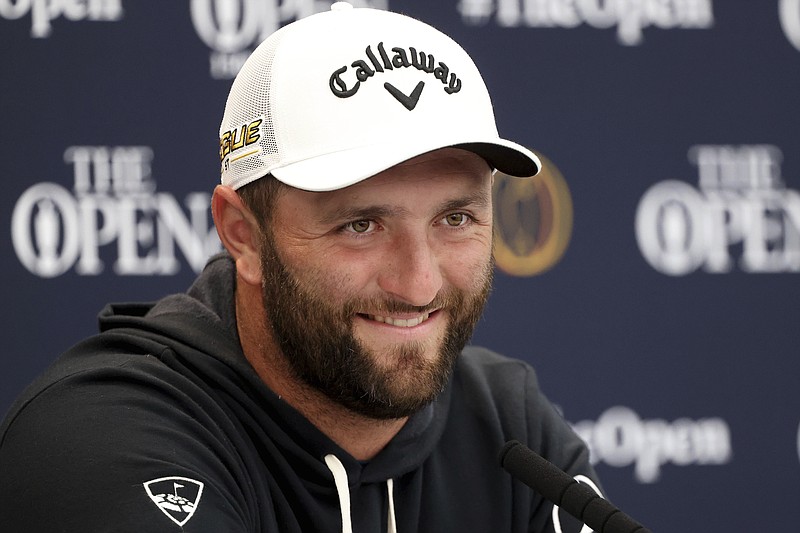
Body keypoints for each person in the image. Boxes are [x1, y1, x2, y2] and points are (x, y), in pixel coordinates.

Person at [0, 3, 600, 532]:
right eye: (360, 225)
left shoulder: (507, 424)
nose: (419, 283)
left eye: (455, 219)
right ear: (244, 234)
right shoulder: (111, 438)